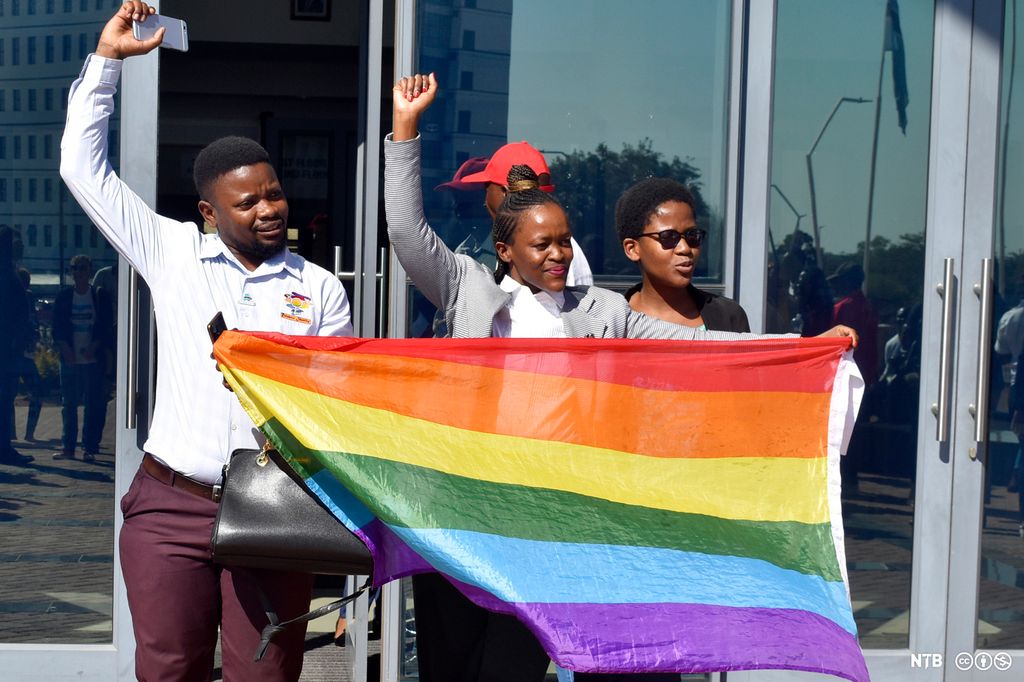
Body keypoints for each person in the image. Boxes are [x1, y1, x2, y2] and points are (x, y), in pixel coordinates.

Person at [386, 72, 856, 682]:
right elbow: (404, 232)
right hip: (467, 508)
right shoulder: (465, 287)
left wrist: (800, 348)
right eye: (540, 245)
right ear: (506, 252)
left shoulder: (601, 310)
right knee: (452, 666)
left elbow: (700, 344)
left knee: (514, 664)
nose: (556, 255)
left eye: (564, 242)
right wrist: (405, 128)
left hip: (546, 525)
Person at [60, 3, 353, 679]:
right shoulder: (171, 251)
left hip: (276, 509)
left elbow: (332, 403)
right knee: (169, 670)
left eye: (274, 195)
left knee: (266, 672)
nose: (269, 209)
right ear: (209, 212)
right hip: (171, 505)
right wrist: (108, 61)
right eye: (247, 202)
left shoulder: (322, 288)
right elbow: (82, 167)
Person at [615, 177, 750, 333]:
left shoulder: (728, 317)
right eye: (669, 237)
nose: (685, 248)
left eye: (692, 236)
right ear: (633, 249)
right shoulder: (609, 322)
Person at [456, 140, 594, 286]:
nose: (484, 200)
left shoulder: (561, 252)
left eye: (487, 187)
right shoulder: (562, 248)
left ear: (506, 193)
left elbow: (576, 306)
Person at [52, 254, 113, 462]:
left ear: (89, 271)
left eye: (82, 268)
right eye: (74, 268)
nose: (78, 272)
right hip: (70, 358)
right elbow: (57, 326)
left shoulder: (98, 295)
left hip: (92, 359)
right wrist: (65, 348)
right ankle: (68, 446)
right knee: (68, 404)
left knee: (92, 404)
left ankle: (89, 447)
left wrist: (94, 346)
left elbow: (105, 325)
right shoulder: (64, 296)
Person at [0, 225, 33, 465]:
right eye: (16, 242)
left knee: (6, 399)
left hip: (9, 348)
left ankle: (4, 447)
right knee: (4, 398)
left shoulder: (8, 271)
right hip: (6, 349)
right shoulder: (5, 272)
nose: (20, 247)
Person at [829, 262, 879, 384]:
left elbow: (833, 342)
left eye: (840, 280)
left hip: (845, 371)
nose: (837, 285)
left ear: (848, 281)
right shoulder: (869, 306)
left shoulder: (842, 307)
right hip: (866, 370)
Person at [13, 268, 42, 441]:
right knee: (32, 392)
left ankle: (19, 434)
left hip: (22, 353)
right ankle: (18, 434)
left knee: (32, 392)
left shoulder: (27, 297)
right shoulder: (21, 298)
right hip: (19, 353)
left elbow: (32, 321)